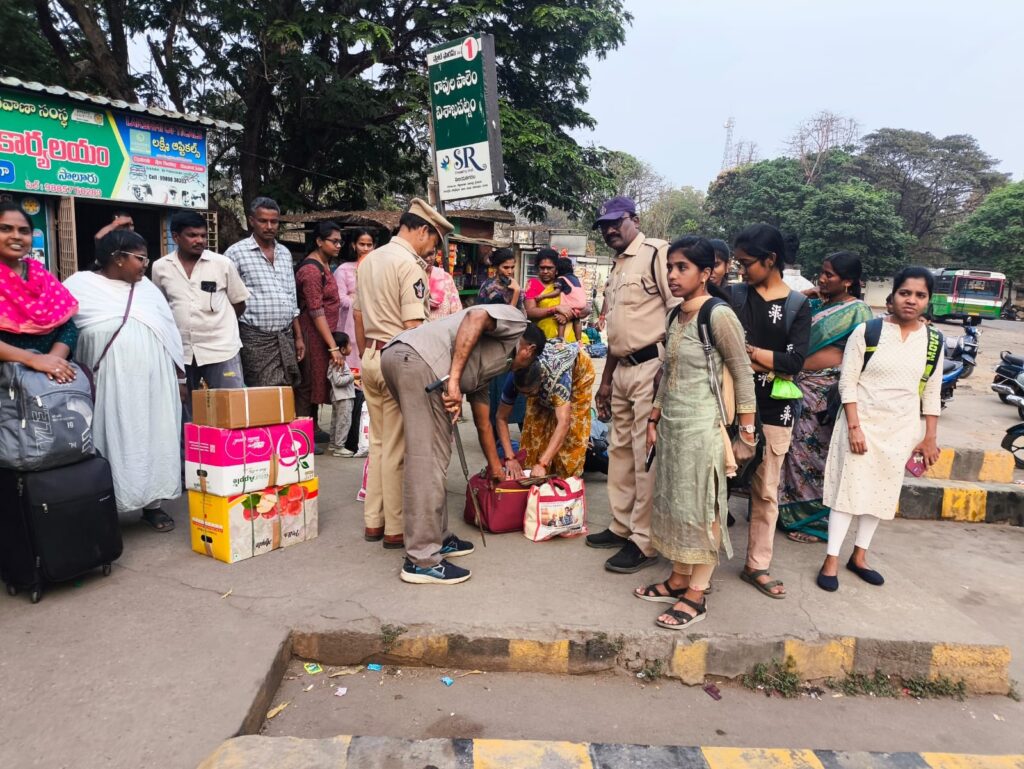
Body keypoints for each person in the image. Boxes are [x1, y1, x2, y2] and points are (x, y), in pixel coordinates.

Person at [634, 237, 757, 628]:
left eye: (682, 267)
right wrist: (653, 420)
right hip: (673, 427)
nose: (672, 275)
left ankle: (696, 594)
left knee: (703, 508)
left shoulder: (718, 315)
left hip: (704, 428)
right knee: (676, 505)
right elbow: (668, 372)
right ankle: (677, 579)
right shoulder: (676, 315)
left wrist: (747, 434)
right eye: (670, 267)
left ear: (705, 273)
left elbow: (743, 373)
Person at [379, 305, 546, 584]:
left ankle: (439, 537)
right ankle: (422, 559)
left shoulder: (492, 364)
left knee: (437, 456)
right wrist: (454, 381)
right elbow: (475, 316)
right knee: (427, 462)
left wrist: (496, 468)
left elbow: (484, 424)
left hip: (409, 359)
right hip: (420, 362)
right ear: (529, 351)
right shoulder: (517, 321)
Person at [816, 267, 943, 591]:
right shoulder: (868, 331)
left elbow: (931, 391)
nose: (911, 300)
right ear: (893, 295)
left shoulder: (933, 341)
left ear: (928, 300)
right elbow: (848, 382)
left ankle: (859, 556)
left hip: (900, 429)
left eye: (920, 295)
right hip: (862, 424)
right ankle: (831, 559)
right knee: (848, 493)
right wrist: (854, 427)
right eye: (905, 293)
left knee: (881, 493)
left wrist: (929, 436)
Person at [64, 231, 184, 532]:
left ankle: (152, 505)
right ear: (118, 258)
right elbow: (65, 330)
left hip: (154, 385)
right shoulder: (79, 286)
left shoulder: (147, 290)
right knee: (110, 439)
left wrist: (179, 377)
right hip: (108, 384)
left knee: (154, 436)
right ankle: (107, 505)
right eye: (140, 258)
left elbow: (168, 331)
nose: (145, 264)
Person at [354, 198, 453, 547]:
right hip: (398, 360)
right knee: (398, 449)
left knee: (380, 444)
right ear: (423, 231)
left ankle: (374, 521)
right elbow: (414, 328)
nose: (433, 250)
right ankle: (395, 528)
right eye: (434, 240)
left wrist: (366, 355)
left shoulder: (370, 260)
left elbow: (358, 316)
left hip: (371, 356)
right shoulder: (410, 266)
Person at [587, 196, 677, 574]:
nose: (609, 230)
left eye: (616, 222)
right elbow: (616, 332)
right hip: (622, 368)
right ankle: (621, 525)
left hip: (651, 366)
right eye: (604, 226)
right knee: (620, 452)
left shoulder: (657, 254)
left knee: (645, 456)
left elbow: (678, 312)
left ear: (634, 220)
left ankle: (644, 540)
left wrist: (667, 368)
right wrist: (605, 381)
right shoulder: (617, 265)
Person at [730, 224, 811, 599]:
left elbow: (794, 363)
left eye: (746, 263)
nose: (741, 270)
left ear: (770, 260)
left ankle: (757, 565)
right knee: (715, 484)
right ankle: (699, 566)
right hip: (730, 406)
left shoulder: (796, 305)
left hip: (775, 411)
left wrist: (749, 354)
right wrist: (767, 359)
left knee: (765, 492)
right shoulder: (733, 296)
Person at [778, 252, 874, 543]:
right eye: (822, 272)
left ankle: (816, 521)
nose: (822, 278)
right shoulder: (818, 304)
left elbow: (859, 358)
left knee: (815, 455)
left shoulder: (858, 312)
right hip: (798, 386)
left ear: (848, 281)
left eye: (829, 275)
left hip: (824, 393)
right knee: (792, 452)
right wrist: (807, 295)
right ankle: (789, 512)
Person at [151, 211, 249, 422]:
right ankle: (190, 445)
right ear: (176, 237)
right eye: (192, 235)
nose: (200, 240)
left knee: (230, 409)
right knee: (185, 411)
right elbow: (161, 308)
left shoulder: (222, 264)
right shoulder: (160, 267)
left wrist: (219, 325)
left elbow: (239, 303)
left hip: (221, 349)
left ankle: (228, 445)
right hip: (181, 351)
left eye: (203, 235)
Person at [224, 197, 304, 388]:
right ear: (252, 221)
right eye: (263, 221)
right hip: (255, 340)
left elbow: (291, 298)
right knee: (261, 392)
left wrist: (299, 337)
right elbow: (228, 300)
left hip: (285, 337)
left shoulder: (284, 253)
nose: (269, 226)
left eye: (274, 221)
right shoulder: (235, 253)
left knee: (287, 389)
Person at [0, 202, 79, 385]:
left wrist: (53, 362)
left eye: (24, 231)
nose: (16, 236)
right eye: (5, 229)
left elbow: (68, 327)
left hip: (45, 384)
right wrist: (33, 360)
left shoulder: (42, 277)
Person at [495, 340, 596, 479]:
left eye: (530, 393)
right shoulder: (514, 378)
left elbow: (564, 423)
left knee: (572, 435)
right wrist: (510, 457)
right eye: (522, 393)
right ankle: (537, 471)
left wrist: (542, 463)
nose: (526, 396)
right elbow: (501, 417)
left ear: (541, 381)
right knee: (534, 430)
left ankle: (565, 479)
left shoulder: (559, 381)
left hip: (579, 372)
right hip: (545, 379)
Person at [294, 222, 343, 421]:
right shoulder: (311, 270)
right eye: (334, 241)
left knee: (317, 381)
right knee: (308, 383)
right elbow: (316, 310)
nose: (338, 245)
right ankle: (302, 430)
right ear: (319, 241)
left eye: (340, 242)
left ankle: (312, 426)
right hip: (311, 333)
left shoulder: (324, 264)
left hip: (322, 334)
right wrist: (333, 346)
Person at [334, 228, 374, 454]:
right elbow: (340, 298)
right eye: (362, 244)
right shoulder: (344, 269)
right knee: (351, 381)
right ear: (353, 245)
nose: (365, 248)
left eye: (369, 244)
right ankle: (347, 437)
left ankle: (365, 433)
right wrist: (359, 299)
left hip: (372, 327)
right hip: (350, 328)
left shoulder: (377, 267)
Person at [524, 248, 576, 342]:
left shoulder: (565, 282)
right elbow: (530, 312)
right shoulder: (533, 284)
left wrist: (568, 315)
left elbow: (585, 308)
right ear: (537, 268)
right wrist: (555, 309)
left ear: (556, 268)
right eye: (542, 268)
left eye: (549, 268)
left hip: (568, 338)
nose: (545, 271)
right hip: (543, 338)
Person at [327, 331, 356, 457]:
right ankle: (339, 446)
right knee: (344, 421)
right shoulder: (339, 362)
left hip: (338, 396)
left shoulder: (335, 361)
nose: (351, 347)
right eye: (349, 345)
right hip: (343, 397)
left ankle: (333, 444)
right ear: (343, 349)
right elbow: (338, 381)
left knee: (336, 421)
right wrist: (353, 376)